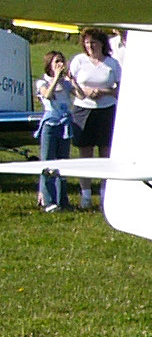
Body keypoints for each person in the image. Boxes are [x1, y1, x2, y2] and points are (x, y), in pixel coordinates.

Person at [67, 28, 121, 209]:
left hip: (106, 110)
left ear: (102, 44)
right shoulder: (79, 61)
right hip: (83, 110)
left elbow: (121, 89)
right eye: (87, 42)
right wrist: (86, 92)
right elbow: (71, 86)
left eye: (94, 42)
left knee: (105, 154)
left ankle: (106, 194)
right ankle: (86, 195)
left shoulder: (112, 63)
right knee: (85, 154)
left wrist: (104, 92)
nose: (90, 46)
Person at [33, 51, 75, 212]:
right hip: (50, 125)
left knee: (62, 163)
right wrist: (56, 77)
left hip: (64, 124)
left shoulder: (66, 83)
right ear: (50, 64)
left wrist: (72, 81)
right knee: (48, 162)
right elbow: (48, 95)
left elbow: (81, 94)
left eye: (61, 61)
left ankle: (63, 200)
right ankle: (48, 200)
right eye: (56, 61)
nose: (60, 64)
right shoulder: (42, 82)